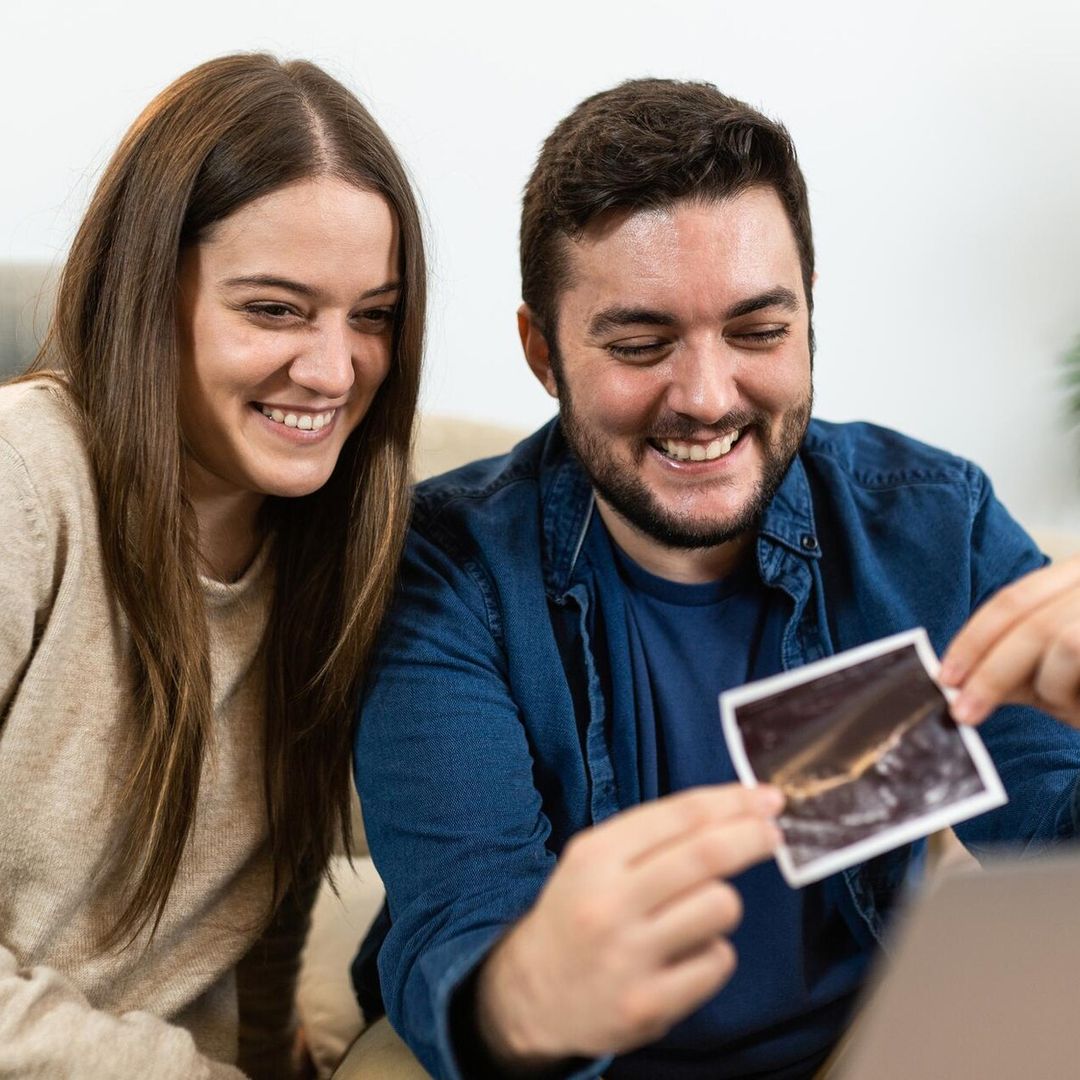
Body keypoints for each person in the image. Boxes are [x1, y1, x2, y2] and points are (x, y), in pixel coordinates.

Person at [354, 77, 1080, 1079]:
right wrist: (534, 996)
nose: (705, 397)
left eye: (758, 332)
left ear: (808, 319)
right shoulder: (449, 572)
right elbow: (462, 930)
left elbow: (1048, 842)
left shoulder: (926, 526)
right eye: (641, 344)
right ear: (541, 351)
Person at [0, 54, 424, 1078]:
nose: (333, 370)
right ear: (149, 290)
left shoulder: (344, 545)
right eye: (275, 310)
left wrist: (276, 1053)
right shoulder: (24, 480)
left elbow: (258, 907)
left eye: (371, 315)